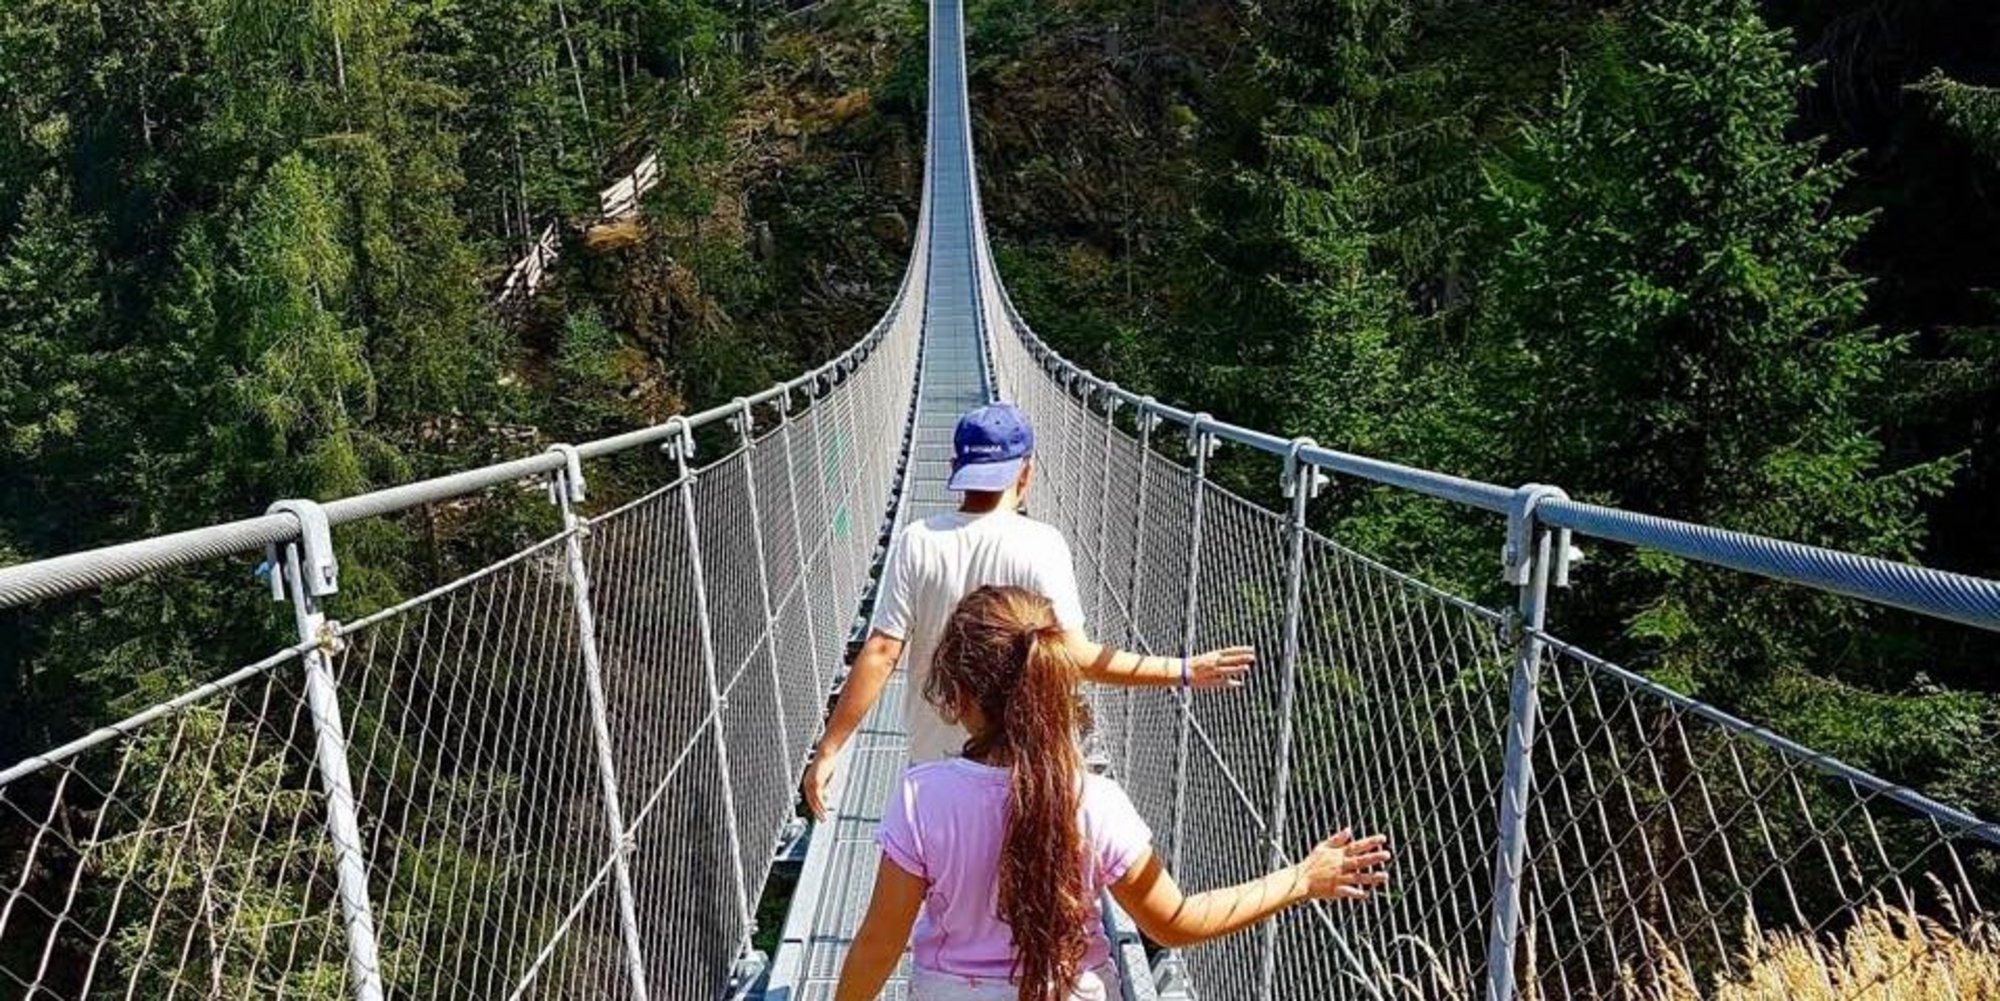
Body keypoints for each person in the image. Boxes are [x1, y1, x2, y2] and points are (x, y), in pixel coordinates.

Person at [833, 586, 1391, 1000]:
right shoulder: (1096, 802)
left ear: (955, 694)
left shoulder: (921, 797)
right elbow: (1174, 922)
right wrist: (1302, 878)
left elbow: (880, 944)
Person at [802, 401, 1255, 820]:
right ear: (1025, 473)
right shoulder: (1042, 545)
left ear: (955, 469)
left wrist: (830, 748)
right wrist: (1182, 670)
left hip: (934, 766)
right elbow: (1077, 658)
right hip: (1020, 764)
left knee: (941, 893)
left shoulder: (917, 541)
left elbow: (881, 651)